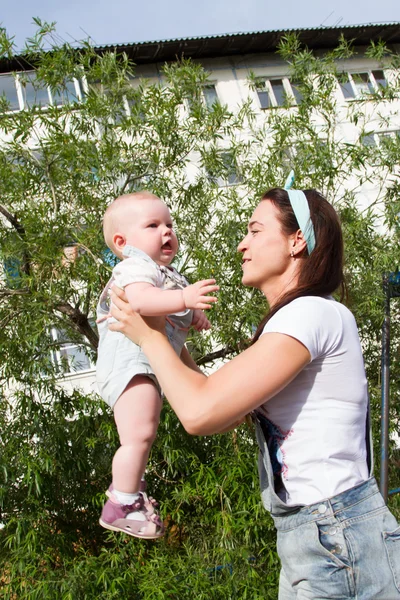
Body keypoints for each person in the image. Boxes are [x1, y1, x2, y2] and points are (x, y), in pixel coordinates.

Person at [108, 176, 400, 598]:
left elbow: (199, 412)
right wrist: (169, 336)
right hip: (316, 534)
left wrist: (150, 338)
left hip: (337, 534)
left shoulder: (310, 314)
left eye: (255, 231)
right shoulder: (303, 318)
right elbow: (212, 407)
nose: (242, 245)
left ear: (297, 241)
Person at [96, 191, 218, 539]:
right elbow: (141, 300)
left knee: (143, 434)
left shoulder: (166, 273)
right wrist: (184, 299)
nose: (166, 231)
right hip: (128, 362)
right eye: (153, 225)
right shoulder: (134, 267)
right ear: (123, 242)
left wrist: (192, 314)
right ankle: (121, 502)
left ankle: (131, 488)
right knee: (139, 434)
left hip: (145, 362)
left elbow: (166, 306)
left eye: (169, 224)